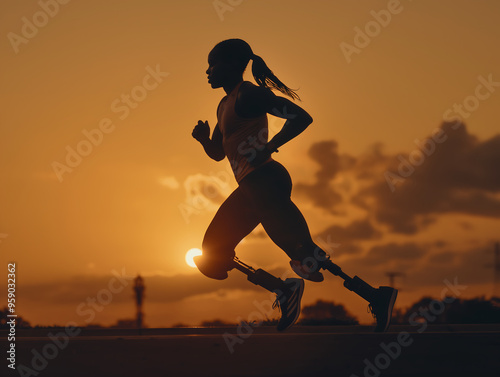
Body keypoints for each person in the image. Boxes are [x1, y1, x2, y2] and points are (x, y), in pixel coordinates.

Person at [192, 38, 397, 332]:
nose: (208, 70)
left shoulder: (248, 95)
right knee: (212, 253)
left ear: (235, 65)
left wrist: (271, 145)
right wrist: (202, 140)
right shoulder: (223, 104)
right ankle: (285, 290)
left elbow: (301, 117)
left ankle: (375, 296)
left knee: (302, 252)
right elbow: (218, 152)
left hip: (265, 179)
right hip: (249, 187)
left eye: (214, 63)